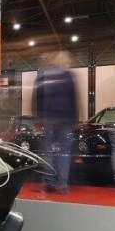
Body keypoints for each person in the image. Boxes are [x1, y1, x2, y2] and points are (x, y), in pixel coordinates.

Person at [34, 51, 77, 195]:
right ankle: (63, 185)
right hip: (65, 120)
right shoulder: (69, 75)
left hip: (48, 120)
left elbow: (37, 98)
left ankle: (50, 183)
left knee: (48, 152)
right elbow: (73, 99)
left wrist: (38, 118)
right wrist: (75, 119)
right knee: (64, 152)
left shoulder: (44, 75)